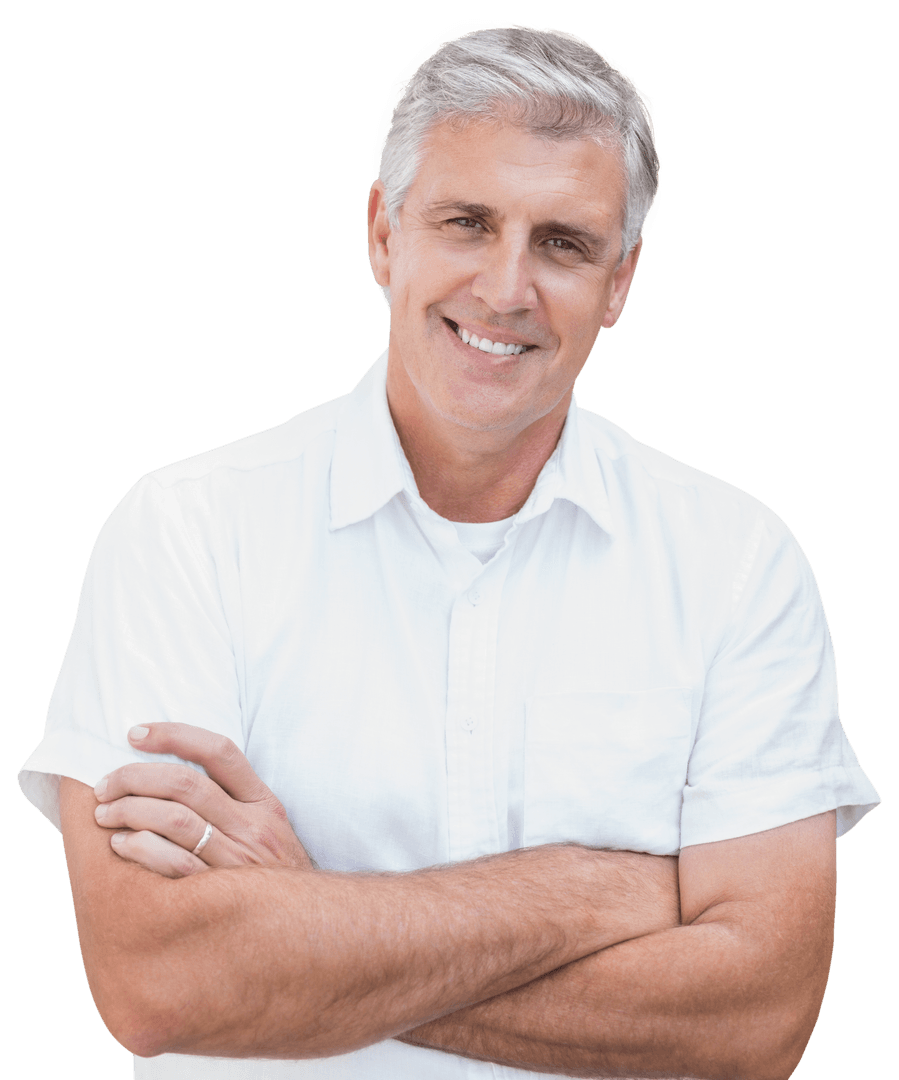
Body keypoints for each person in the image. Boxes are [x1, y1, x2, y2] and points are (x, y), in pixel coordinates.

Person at [18, 23, 879, 1080]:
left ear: (619, 282)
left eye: (562, 242)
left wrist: (306, 927)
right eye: (466, 223)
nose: (506, 288)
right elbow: (158, 984)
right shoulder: (187, 531)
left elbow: (756, 1022)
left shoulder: (736, 564)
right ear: (383, 235)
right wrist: (589, 890)